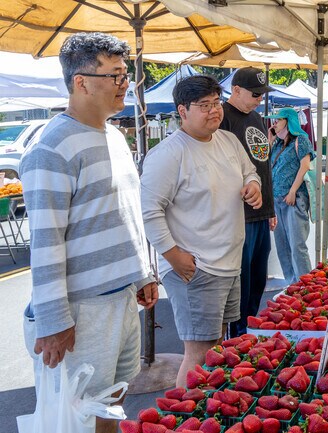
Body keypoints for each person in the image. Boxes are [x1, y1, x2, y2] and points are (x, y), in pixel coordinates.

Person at [19, 32, 158, 433]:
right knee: (81, 412)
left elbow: (125, 213)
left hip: (121, 298)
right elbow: (45, 242)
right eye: (115, 75)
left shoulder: (114, 135)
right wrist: (53, 321)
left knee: (112, 401)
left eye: (126, 74)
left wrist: (143, 273)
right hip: (81, 311)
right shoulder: (52, 148)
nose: (125, 84)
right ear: (80, 82)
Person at [140, 75, 262, 387]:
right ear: (182, 111)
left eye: (216, 103)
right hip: (196, 267)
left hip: (228, 262)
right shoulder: (168, 154)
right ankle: (183, 418)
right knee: (198, 353)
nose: (214, 111)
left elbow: (250, 171)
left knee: (216, 347)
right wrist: (173, 256)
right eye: (204, 106)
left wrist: (253, 185)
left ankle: (204, 408)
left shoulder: (228, 141)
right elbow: (150, 211)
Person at [219, 67, 275, 338]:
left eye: (262, 95)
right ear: (236, 90)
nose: (259, 99)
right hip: (238, 215)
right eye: (255, 94)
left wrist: (270, 208)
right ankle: (237, 334)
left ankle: (249, 326)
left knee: (258, 277)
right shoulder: (221, 117)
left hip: (261, 212)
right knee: (240, 281)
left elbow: (264, 167)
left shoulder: (257, 117)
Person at [267, 108, 315, 284]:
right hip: (277, 199)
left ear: (288, 121)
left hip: (294, 199)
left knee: (297, 245)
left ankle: (305, 284)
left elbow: (305, 166)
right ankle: (291, 283)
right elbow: (266, 164)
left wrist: (293, 190)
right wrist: (270, 141)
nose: (274, 123)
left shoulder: (300, 140)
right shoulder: (278, 144)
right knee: (282, 246)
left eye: (278, 120)